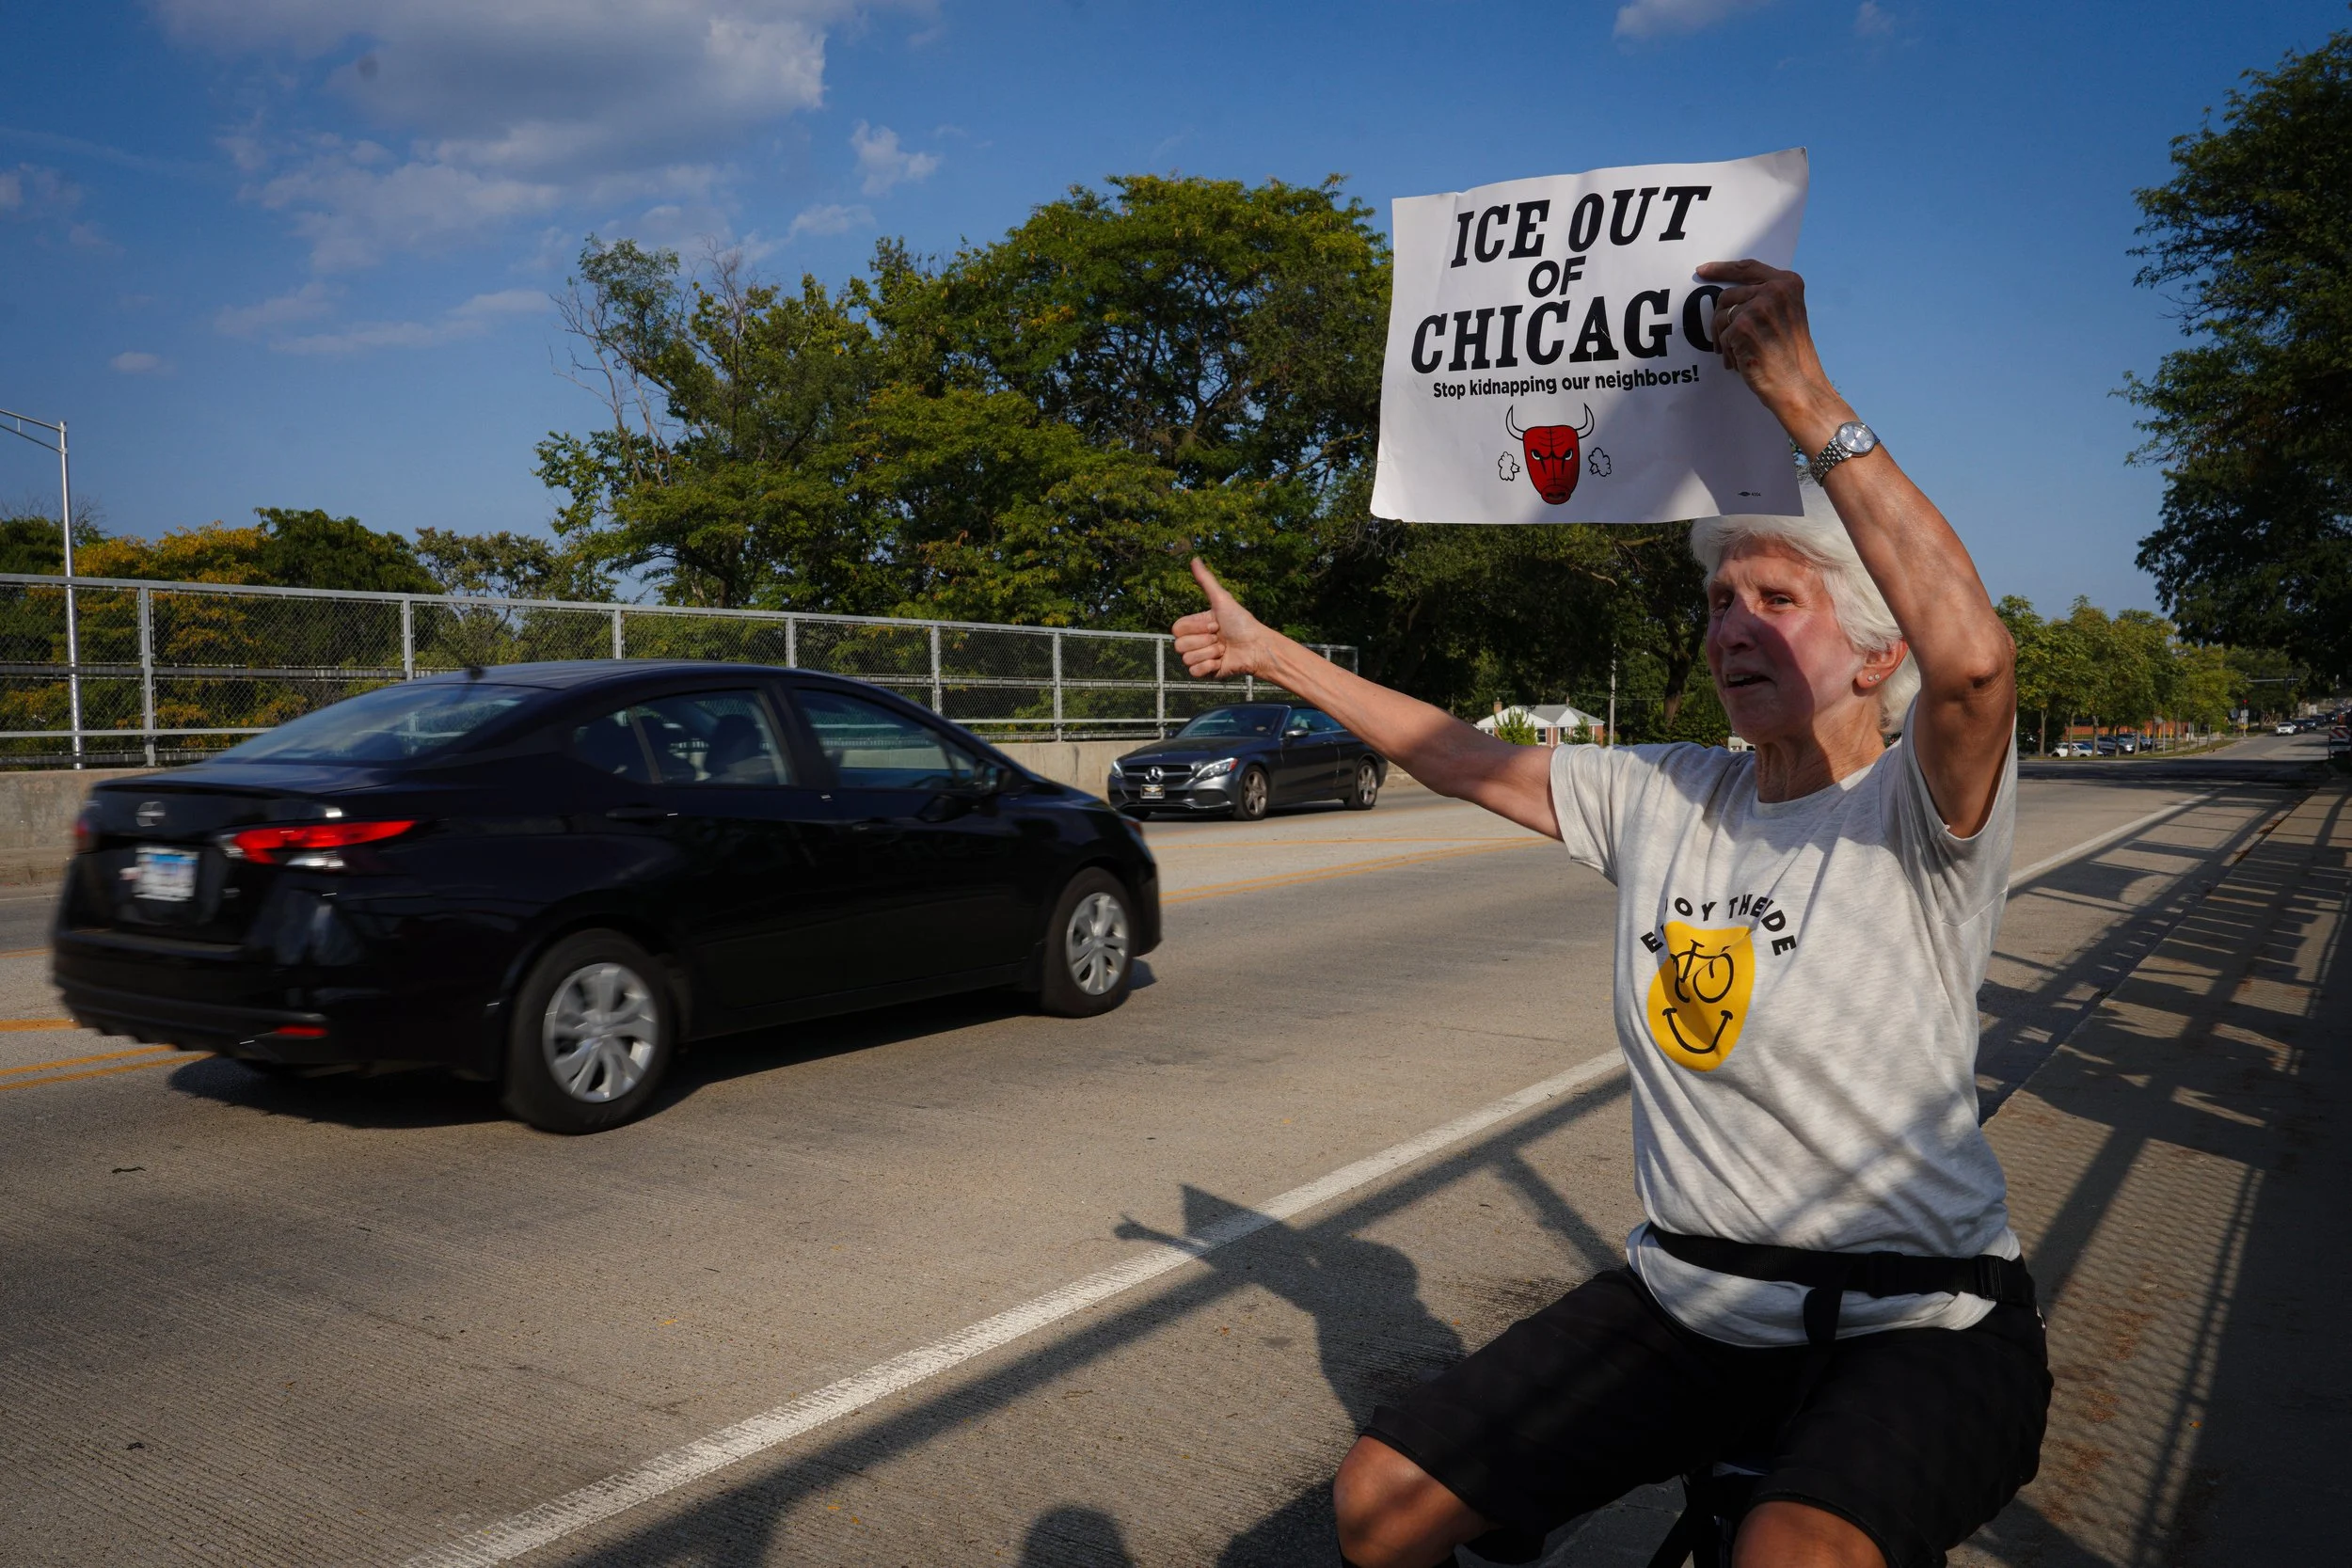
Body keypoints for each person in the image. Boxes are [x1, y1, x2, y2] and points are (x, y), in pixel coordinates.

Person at [1170, 260, 2049, 1568]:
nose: (1730, 624)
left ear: (1876, 654)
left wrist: (1803, 397)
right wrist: (1276, 655)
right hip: (1694, 1305)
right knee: (1378, 1503)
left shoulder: (1915, 809)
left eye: (1776, 599)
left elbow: (1975, 658)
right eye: (1715, 600)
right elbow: (1457, 754)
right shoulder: (1662, 794)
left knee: (1790, 1556)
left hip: (1921, 1323)